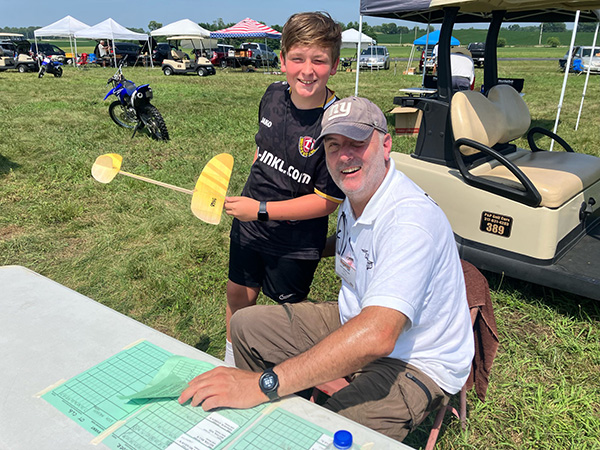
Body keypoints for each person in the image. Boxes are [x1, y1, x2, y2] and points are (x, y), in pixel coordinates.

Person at [179, 96, 475, 442]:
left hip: (416, 359)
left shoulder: (410, 221)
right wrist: (307, 249)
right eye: (333, 146)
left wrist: (265, 384)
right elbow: (353, 243)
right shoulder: (360, 194)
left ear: (386, 144)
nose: (344, 156)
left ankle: (264, 398)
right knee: (246, 324)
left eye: (357, 143)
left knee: (327, 432)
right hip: (357, 317)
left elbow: (379, 334)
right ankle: (252, 427)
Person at [220, 12, 345, 366]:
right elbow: (263, 146)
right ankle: (231, 364)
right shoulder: (272, 94)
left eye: (319, 60)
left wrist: (260, 209)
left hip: (295, 240)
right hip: (249, 227)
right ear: (282, 61)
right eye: (298, 59)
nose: (307, 70)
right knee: (238, 299)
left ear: (334, 65)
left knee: (286, 318)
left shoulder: (336, 123)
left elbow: (326, 202)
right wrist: (255, 198)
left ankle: (282, 379)